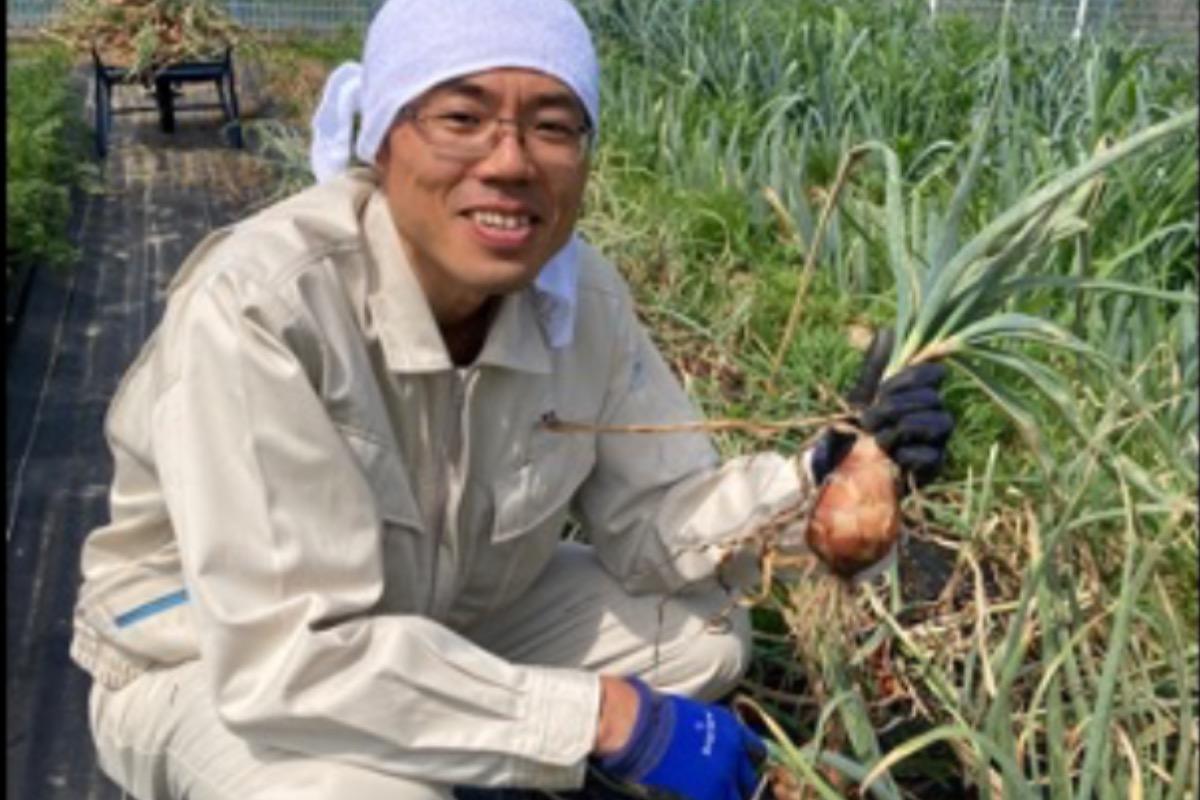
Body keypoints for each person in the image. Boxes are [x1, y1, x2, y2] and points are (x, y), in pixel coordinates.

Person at [69, 1, 953, 799]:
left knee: (699, 636)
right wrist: (607, 719)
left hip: (439, 613)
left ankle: (461, 733)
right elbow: (288, 658)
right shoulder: (267, 307)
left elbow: (661, 518)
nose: (510, 162)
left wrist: (825, 476)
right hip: (215, 666)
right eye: (461, 117)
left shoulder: (579, 299)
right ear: (384, 141)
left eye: (553, 126)